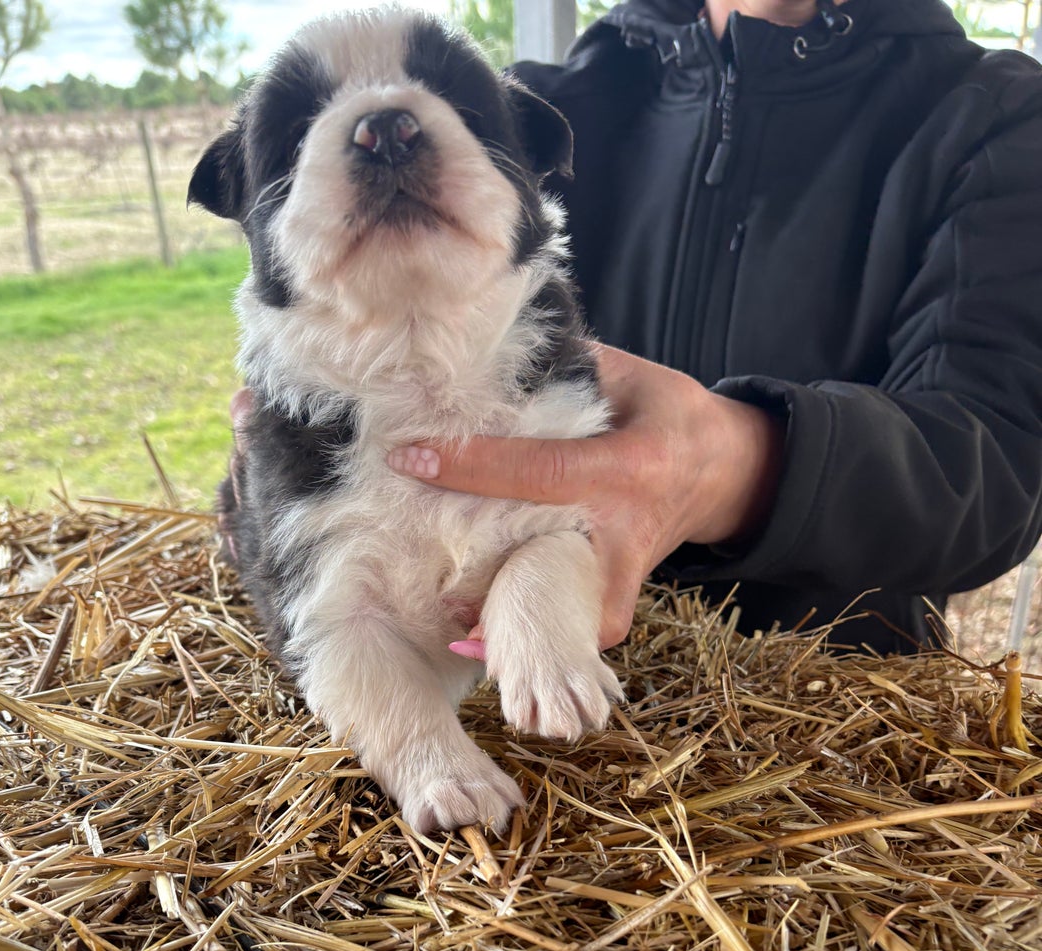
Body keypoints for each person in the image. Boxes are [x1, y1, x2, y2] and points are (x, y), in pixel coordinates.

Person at [381, 0, 1042, 654]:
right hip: (512, 669)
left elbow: (995, 465)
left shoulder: (995, 117)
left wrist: (727, 468)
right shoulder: (535, 113)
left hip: (826, 711)